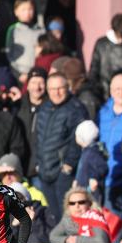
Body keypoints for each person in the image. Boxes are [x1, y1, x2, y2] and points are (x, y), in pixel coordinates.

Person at [34, 72, 89, 218]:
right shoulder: (44, 108)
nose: (56, 93)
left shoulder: (76, 108)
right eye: (52, 89)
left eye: (60, 88)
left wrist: (69, 164)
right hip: (44, 171)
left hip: (63, 172)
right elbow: (38, 137)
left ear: (68, 87)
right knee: (52, 216)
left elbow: (79, 139)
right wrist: (38, 162)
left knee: (66, 217)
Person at [98, 73, 122, 213]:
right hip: (102, 176)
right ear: (111, 91)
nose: (121, 93)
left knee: (116, 220)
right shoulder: (103, 112)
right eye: (117, 89)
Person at [5, 0, 45, 79]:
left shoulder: (41, 30)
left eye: (30, 9)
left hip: (36, 73)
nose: (27, 13)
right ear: (16, 12)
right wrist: (18, 74)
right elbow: (9, 53)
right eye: (23, 10)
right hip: (18, 74)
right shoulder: (13, 30)